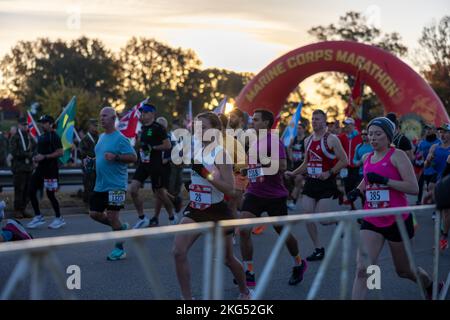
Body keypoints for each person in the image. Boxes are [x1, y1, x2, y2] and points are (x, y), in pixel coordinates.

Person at [348, 117, 438, 299]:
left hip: (397, 219)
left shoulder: (397, 155)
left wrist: (385, 181)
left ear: (388, 137)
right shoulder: (367, 157)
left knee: (404, 270)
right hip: (372, 218)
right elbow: (368, 179)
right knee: (363, 269)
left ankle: (430, 285)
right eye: (370, 134)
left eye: (378, 134)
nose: (373, 138)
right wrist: (357, 191)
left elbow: (413, 188)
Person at [172, 111, 253, 300]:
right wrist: (192, 185)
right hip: (196, 209)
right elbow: (197, 179)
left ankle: (245, 292)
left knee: (227, 259)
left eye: (204, 127)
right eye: (196, 127)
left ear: (216, 130)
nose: (199, 131)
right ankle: (187, 300)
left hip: (217, 211)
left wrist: (205, 174)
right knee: (178, 251)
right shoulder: (196, 150)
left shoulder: (221, 154)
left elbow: (231, 191)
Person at [239, 109, 307, 287]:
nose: (252, 122)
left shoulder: (273, 141)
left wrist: (259, 165)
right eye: (252, 119)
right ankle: (249, 272)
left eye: (256, 119)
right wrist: (247, 171)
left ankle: (299, 263)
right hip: (254, 192)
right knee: (243, 230)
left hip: (274, 195)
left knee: (282, 233)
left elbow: (282, 166)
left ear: (266, 123)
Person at [285, 109, 348, 261]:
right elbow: (306, 163)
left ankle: (339, 221)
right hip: (311, 182)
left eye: (318, 119)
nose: (314, 121)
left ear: (324, 121)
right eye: (313, 119)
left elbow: (344, 160)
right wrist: (293, 173)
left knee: (323, 219)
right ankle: (318, 249)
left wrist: (330, 172)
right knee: (307, 216)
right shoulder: (307, 140)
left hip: (326, 182)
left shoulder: (331, 139)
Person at [89, 107, 137, 261]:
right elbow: (101, 156)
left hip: (116, 185)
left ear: (113, 118)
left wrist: (116, 157)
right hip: (100, 184)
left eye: (105, 116)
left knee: (112, 216)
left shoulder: (121, 138)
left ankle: (119, 249)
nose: (101, 119)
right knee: (94, 214)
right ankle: (121, 229)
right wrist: (92, 161)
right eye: (100, 116)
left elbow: (133, 157)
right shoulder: (101, 137)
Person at [129, 102, 173, 228]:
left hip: (156, 165)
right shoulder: (142, 128)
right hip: (143, 164)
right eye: (142, 112)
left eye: (146, 112)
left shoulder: (158, 128)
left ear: (153, 114)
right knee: (133, 190)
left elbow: (168, 145)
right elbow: (142, 145)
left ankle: (172, 216)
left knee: (160, 194)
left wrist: (153, 147)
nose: (143, 114)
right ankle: (142, 218)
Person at [26, 115, 65, 229]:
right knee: (31, 190)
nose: (42, 124)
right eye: (41, 122)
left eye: (44, 122)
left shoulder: (55, 137)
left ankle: (59, 218)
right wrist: (36, 158)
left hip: (51, 169)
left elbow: (60, 152)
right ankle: (38, 216)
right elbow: (39, 152)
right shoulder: (42, 136)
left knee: (50, 194)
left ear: (51, 123)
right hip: (40, 168)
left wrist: (45, 157)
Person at [151, 116, 178, 224]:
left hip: (165, 168)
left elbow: (177, 153)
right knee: (158, 193)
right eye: (157, 124)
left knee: (160, 192)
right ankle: (174, 201)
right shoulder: (153, 137)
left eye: (161, 125)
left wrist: (167, 159)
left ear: (165, 127)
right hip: (154, 167)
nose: (159, 127)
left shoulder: (170, 137)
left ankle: (169, 215)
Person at [9, 117, 34, 219]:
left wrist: (33, 155)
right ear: (19, 125)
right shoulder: (15, 137)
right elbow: (14, 152)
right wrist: (27, 155)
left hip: (28, 168)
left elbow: (34, 148)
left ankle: (23, 209)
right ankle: (17, 210)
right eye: (23, 125)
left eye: (26, 125)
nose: (25, 126)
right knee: (19, 189)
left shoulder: (28, 137)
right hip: (19, 168)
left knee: (27, 190)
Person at [338, 117, 363, 206]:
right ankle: (352, 206)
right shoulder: (342, 137)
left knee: (359, 186)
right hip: (345, 166)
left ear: (353, 125)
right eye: (345, 125)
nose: (346, 126)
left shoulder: (360, 136)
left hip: (357, 166)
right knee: (347, 186)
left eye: (348, 124)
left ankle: (363, 205)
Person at [415, 125, 441, 205]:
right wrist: (419, 155)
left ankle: (434, 203)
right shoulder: (422, 143)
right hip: (425, 168)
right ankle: (419, 200)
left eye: (430, 129)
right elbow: (417, 154)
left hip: (435, 169)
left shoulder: (439, 142)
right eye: (427, 129)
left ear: (434, 130)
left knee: (431, 186)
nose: (428, 131)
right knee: (421, 184)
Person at [79, 119, 99, 207]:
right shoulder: (85, 138)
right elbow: (82, 153)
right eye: (94, 125)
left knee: (95, 184)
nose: (96, 127)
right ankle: (87, 204)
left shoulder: (98, 137)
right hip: (88, 164)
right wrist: (93, 155)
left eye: (96, 125)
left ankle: (94, 203)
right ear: (89, 126)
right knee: (88, 184)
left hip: (97, 165)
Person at [287, 123, 307, 209]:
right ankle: (294, 201)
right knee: (297, 184)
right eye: (297, 128)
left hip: (302, 165)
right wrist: (290, 155)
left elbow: (309, 151)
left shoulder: (306, 140)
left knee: (298, 181)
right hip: (294, 165)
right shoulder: (293, 139)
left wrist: (304, 157)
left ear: (304, 129)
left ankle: (293, 201)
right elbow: (288, 147)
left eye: (300, 128)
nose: (298, 130)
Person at [352, 128, 373, 205]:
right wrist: (359, 162)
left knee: (370, 194)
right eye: (362, 134)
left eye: (366, 134)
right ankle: (365, 210)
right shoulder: (359, 146)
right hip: (361, 173)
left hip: (373, 173)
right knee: (363, 194)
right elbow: (354, 160)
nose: (363, 136)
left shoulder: (373, 146)